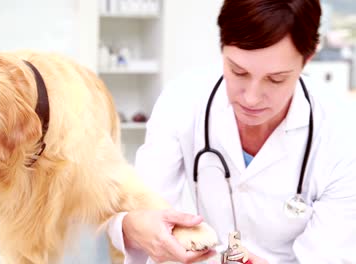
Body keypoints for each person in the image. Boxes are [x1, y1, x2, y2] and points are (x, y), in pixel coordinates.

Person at [106, 0, 356, 263]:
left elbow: (329, 256)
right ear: (222, 48)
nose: (251, 98)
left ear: (307, 59)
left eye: (276, 79)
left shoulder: (342, 132)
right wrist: (133, 225)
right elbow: (139, 208)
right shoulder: (183, 100)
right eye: (238, 72)